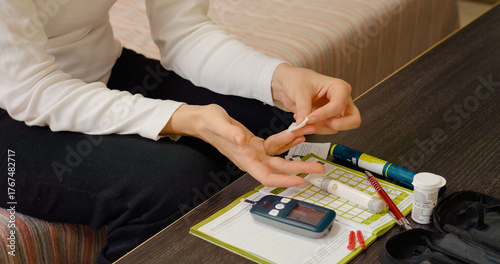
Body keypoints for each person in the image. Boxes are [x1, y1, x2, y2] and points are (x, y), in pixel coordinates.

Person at [0, 0, 360, 263]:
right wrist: (185, 118)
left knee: (275, 125)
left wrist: (278, 80)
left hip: (103, 69)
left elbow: (184, 32)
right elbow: (32, 88)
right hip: (15, 104)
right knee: (176, 182)